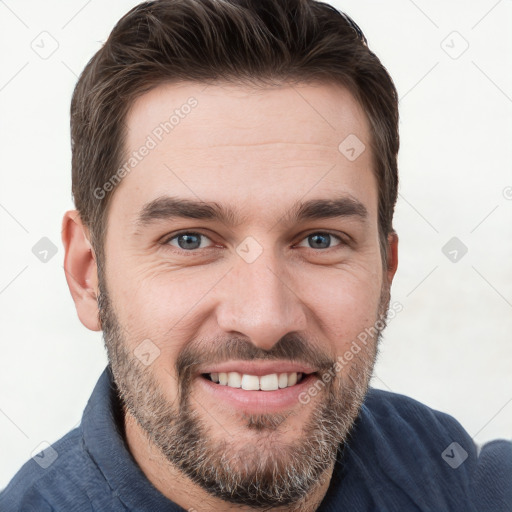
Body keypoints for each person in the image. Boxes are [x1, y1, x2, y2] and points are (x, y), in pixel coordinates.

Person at [1, 0, 511, 510]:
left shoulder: (467, 485)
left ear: (386, 272)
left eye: (320, 240)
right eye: (190, 240)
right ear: (87, 275)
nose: (265, 319)